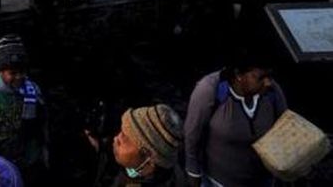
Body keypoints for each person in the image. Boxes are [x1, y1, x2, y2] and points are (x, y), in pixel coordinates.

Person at [184, 48, 287, 187]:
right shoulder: (210, 90)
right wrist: (194, 176)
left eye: (270, 76)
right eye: (261, 78)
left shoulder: (272, 92)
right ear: (239, 75)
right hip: (218, 182)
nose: (268, 83)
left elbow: (285, 130)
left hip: (262, 181)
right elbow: (192, 136)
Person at [0, 35, 48, 183]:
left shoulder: (32, 90)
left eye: (22, 72)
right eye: (13, 73)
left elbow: (41, 122)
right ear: (1, 72)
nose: (19, 77)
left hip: (30, 159)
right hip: (3, 166)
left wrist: (42, 150)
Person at [87, 104, 184, 187]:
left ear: (149, 161)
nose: (116, 138)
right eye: (122, 131)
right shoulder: (143, 166)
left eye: (126, 139)